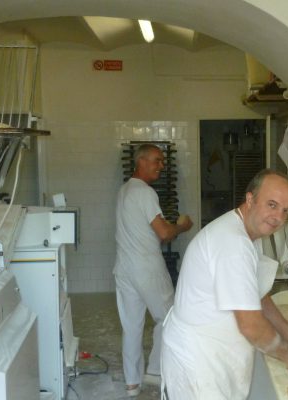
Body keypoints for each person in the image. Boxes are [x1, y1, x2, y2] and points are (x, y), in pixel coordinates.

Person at [161, 169, 288, 400]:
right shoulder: (233, 244)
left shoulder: (249, 232)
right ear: (250, 199)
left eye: (285, 210)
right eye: (272, 204)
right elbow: (251, 326)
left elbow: (259, 297)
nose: (278, 217)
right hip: (200, 363)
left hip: (213, 355)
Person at [114, 143, 193, 397]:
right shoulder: (145, 193)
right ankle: (156, 371)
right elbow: (164, 233)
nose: (162, 165)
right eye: (157, 160)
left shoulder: (124, 190)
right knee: (169, 317)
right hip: (147, 266)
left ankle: (132, 383)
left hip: (124, 267)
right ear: (141, 162)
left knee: (132, 325)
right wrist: (182, 226)